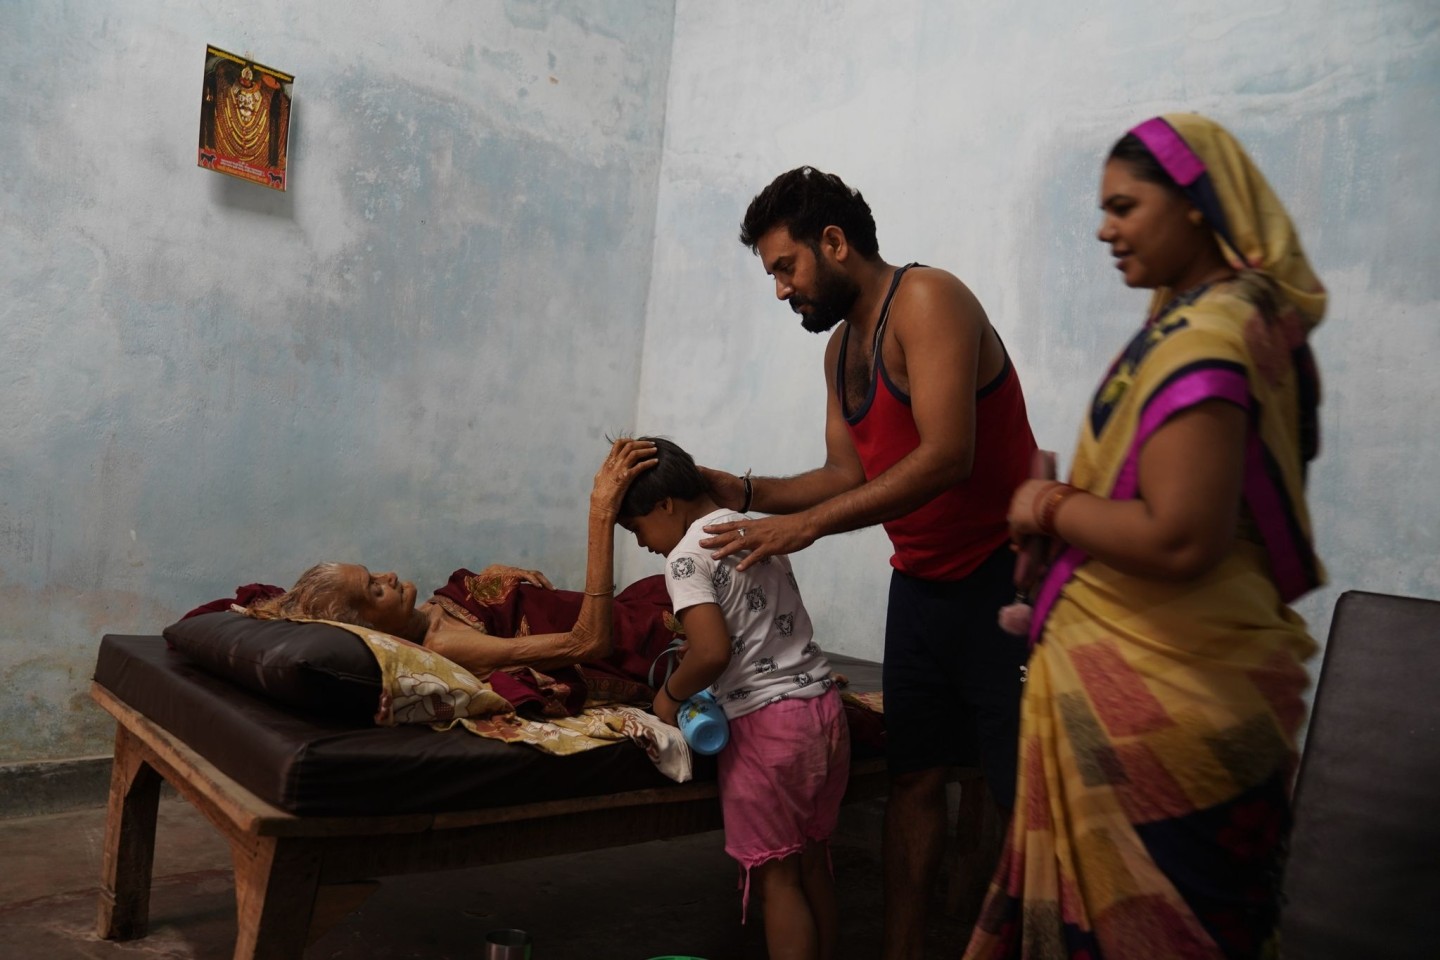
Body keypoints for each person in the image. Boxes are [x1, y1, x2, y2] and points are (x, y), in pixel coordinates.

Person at [963, 114, 1326, 959]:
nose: (1104, 229)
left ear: (1196, 204)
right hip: (1136, 695)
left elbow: (1179, 540)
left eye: (1125, 206)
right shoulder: (1184, 325)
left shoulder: (1212, 336)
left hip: (1169, 720)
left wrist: (1044, 505)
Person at [701, 166, 1038, 956]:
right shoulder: (841, 352)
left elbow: (948, 455)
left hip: (1004, 577)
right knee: (915, 783)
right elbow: (847, 476)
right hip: (920, 587)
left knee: (1023, 795)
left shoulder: (929, 301)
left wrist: (808, 528)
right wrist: (742, 488)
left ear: (834, 242)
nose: (781, 290)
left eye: (785, 267)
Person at [618, 436, 849, 960]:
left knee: (779, 881)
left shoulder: (682, 559)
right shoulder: (751, 528)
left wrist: (669, 697)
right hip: (824, 711)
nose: (640, 544)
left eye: (635, 529)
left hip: (769, 732)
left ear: (665, 506)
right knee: (815, 863)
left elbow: (712, 653)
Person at [247, 438, 659, 678]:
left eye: (373, 573)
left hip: (628, 603)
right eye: (374, 590)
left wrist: (497, 578)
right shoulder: (445, 645)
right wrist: (601, 513)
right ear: (371, 630)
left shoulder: (428, 611)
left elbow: (482, 606)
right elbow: (588, 643)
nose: (388, 577)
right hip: (636, 637)